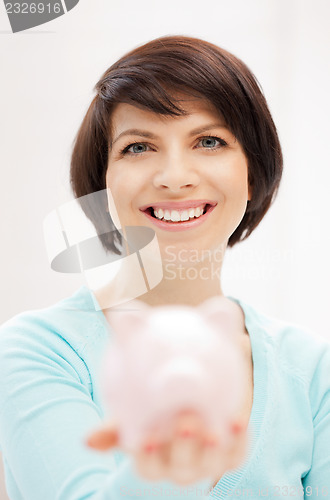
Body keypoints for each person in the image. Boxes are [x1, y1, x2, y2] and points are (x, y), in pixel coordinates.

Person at [0, 35, 329, 500]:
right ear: (103, 185)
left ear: (252, 174)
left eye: (209, 141)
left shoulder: (313, 372)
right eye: (138, 147)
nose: (175, 177)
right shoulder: (37, 351)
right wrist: (171, 465)